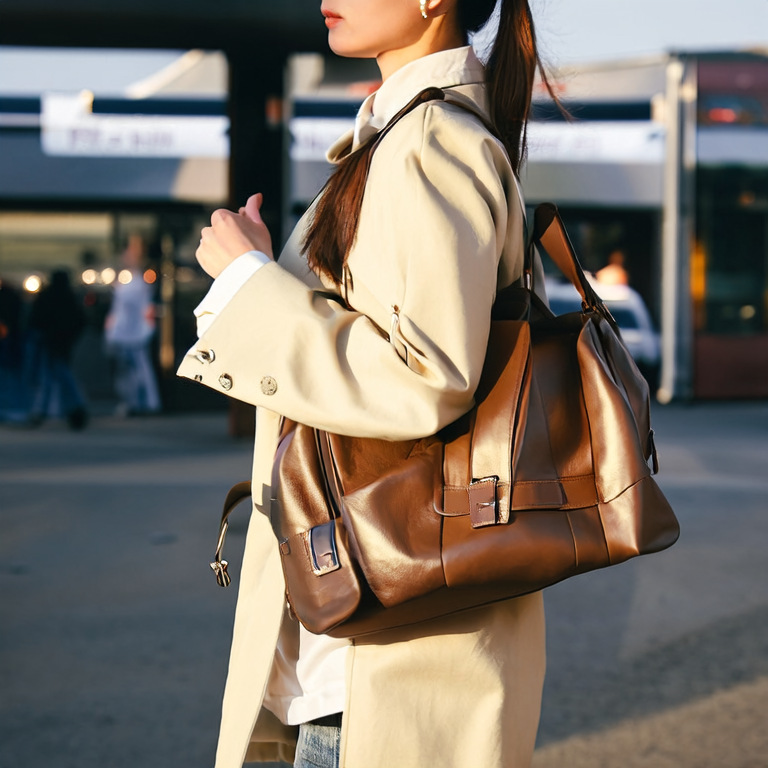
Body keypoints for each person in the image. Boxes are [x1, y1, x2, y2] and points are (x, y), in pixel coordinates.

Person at [179, 1, 557, 766]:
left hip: (377, 658)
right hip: (359, 637)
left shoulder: (430, 142)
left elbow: (427, 378)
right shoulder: (410, 134)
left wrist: (247, 283)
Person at [105, 234, 161, 416]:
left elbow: (145, 308)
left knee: (140, 369)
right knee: (128, 371)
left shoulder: (142, 281)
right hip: (125, 332)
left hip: (136, 332)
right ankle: (135, 402)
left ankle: (148, 403)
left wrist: (146, 329)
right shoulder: (126, 280)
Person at [27, 269, 89, 430]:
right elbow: (80, 320)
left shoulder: (47, 296)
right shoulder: (69, 298)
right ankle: (74, 409)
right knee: (64, 377)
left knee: (47, 378)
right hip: (62, 344)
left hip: (48, 342)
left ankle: (41, 411)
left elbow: (35, 319)